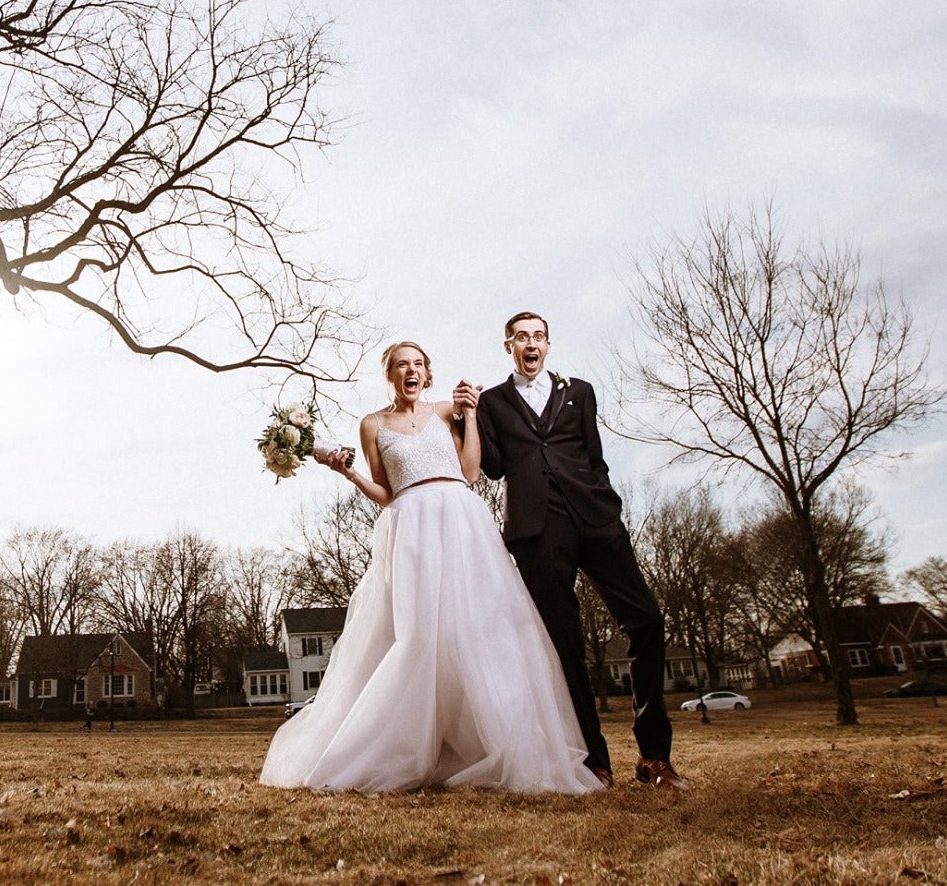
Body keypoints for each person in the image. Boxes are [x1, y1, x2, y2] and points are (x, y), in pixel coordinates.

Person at [260, 341, 603, 795]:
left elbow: (472, 470)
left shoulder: (446, 412)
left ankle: (493, 743)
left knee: (481, 630)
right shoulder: (373, 424)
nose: (411, 371)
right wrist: (348, 473)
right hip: (412, 526)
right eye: (402, 365)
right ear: (390, 375)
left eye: (418, 364)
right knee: (419, 634)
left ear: (428, 373)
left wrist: (473, 414)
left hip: (462, 520)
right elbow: (385, 491)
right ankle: (406, 746)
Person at [466, 311, 684, 790]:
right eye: (521, 337)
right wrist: (469, 415)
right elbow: (495, 469)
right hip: (537, 531)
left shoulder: (579, 391)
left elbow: (594, 454)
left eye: (539, 336)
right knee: (564, 645)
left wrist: (607, 504)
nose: (531, 343)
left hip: (595, 519)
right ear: (508, 346)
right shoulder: (494, 403)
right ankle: (593, 761)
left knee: (647, 619)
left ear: (548, 345)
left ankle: (653, 758)